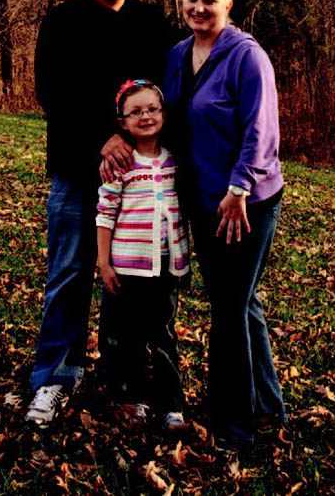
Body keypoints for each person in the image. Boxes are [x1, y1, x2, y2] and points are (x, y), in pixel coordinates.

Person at [27, 0, 172, 427]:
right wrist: (100, 140)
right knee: (69, 276)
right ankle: (54, 378)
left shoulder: (152, 24)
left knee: (126, 283)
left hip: (133, 180)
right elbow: (52, 93)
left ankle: (120, 377)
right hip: (75, 172)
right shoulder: (62, 21)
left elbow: (162, 96)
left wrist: (129, 142)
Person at [163, 0, 286, 447]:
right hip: (201, 199)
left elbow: (261, 130)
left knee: (229, 310)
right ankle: (268, 408)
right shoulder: (177, 54)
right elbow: (169, 116)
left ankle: (236, 427)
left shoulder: (247, 56)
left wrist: (238, 190)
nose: (197, 7)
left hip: (245, 203)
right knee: (239, 302)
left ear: (228, 1)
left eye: (208, 0)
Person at [96, 79, 189, 429]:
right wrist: (104, 263)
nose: (145, 117)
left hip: (165, 267)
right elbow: (105, 213)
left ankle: (170, 404)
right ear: (122, 122)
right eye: (135, 112)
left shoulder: (175, 161)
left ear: (164, 114)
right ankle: (133, 399)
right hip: (127, 267)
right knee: (129, 336)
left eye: (152, 109)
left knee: (163, 334)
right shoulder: (120, 163)